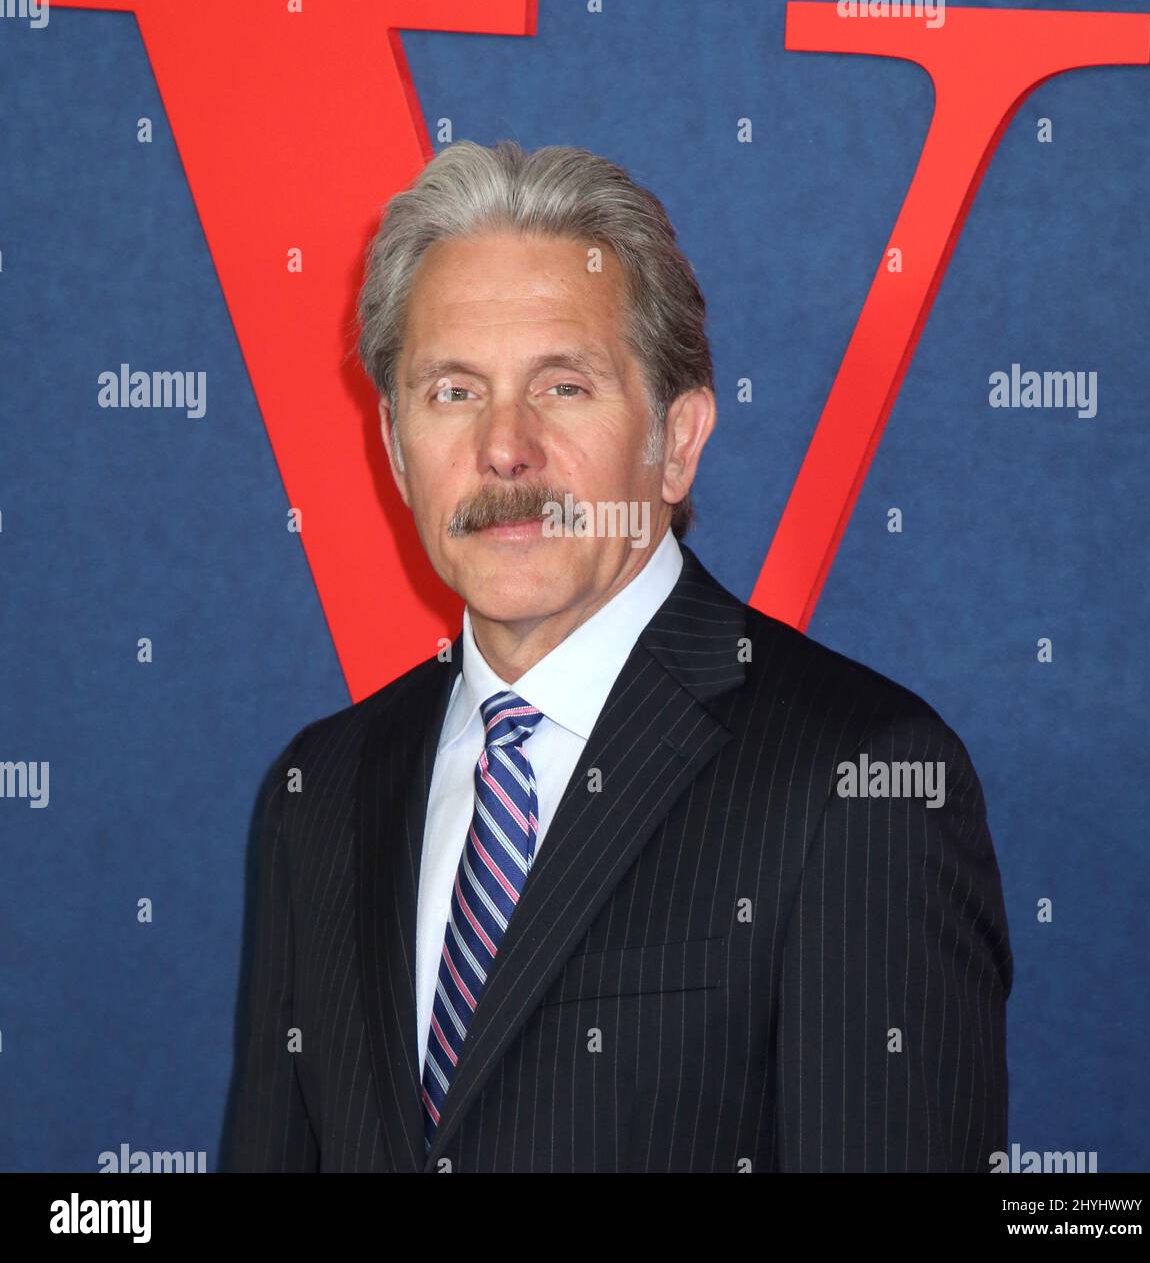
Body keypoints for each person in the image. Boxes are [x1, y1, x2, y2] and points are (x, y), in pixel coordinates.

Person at [223, 139, 1012, 1173]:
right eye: (453, 392)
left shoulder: (859, 782)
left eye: (562, 386)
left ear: (675, 441)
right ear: (393, 444)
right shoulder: (315, 791)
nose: (504, 448)